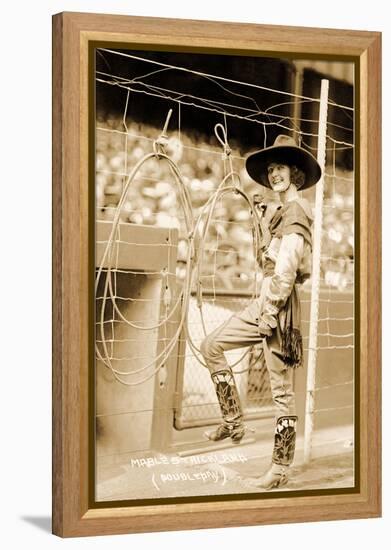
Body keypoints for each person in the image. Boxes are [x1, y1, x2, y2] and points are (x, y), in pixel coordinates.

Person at [199, 134, 322, 490]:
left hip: (278, 307)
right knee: (212, 345)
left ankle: (279, 471)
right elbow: (270, 260)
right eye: (270, 170)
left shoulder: (296, 213)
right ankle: (233, 419)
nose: (273, 175)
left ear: (295, 173)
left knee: (281, 391)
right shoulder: (281, 212)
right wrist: (262, 225)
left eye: (280, 168)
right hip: (267, 300)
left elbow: (285, 271)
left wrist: (269, 313)